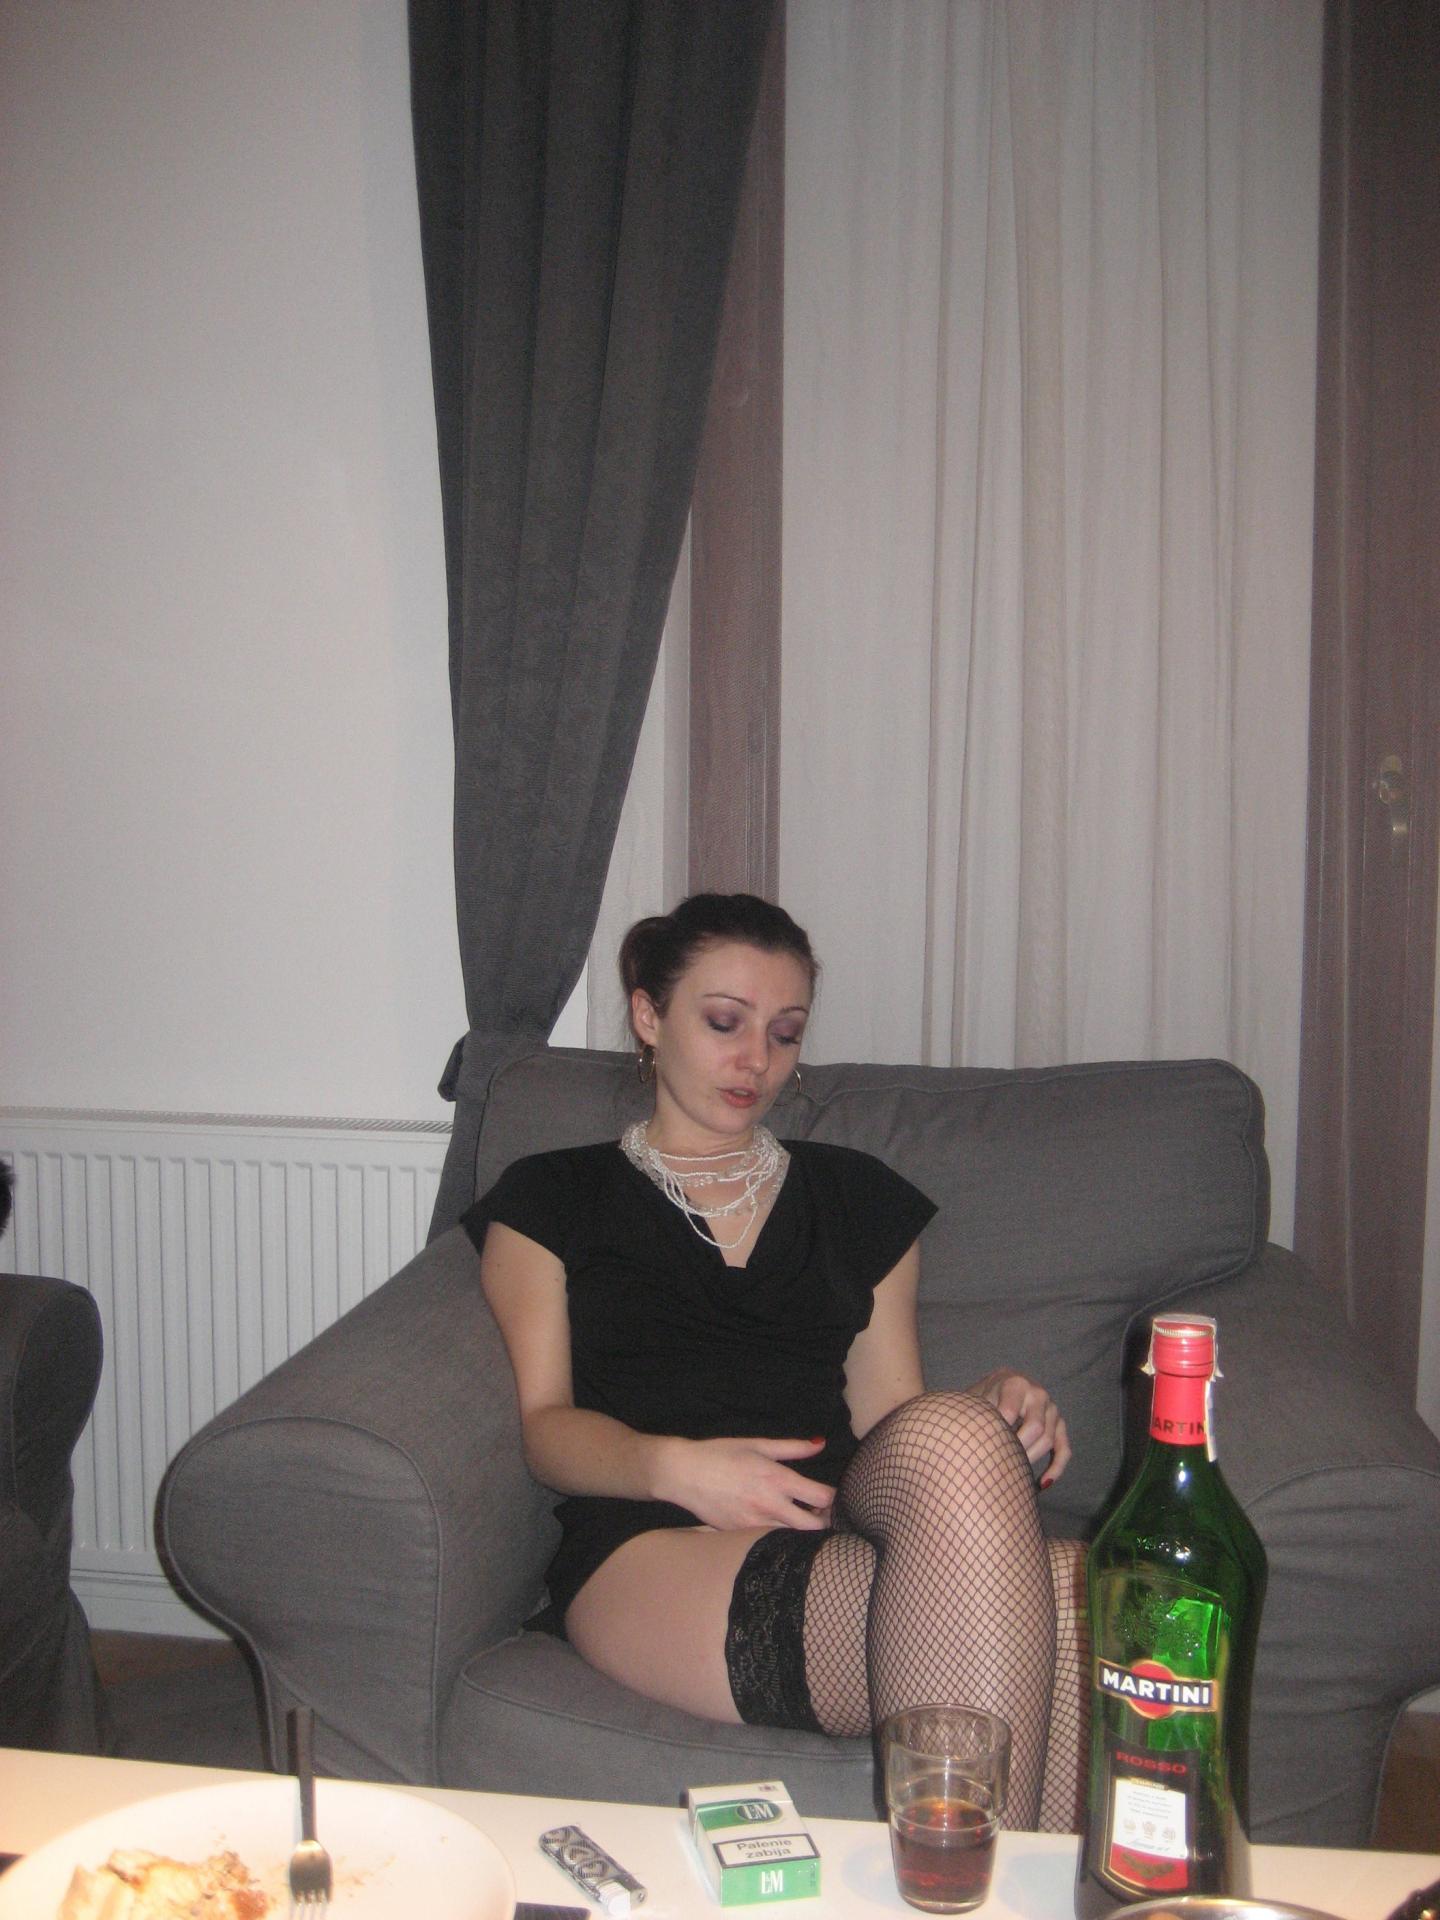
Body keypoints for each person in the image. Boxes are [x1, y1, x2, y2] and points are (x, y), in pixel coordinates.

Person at [463, 893, 1087, 1829]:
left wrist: (992, 1410)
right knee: (1075, 1614)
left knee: (986, 1466)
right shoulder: (554, 1194)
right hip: (653, 1543)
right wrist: (679, 1468)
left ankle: (994, 1882)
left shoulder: (858, 1197)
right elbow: (545, 1427)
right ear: (648, 1016)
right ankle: (991, 1884)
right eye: (725, 1022)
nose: (757, 1060)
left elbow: (891, 1422)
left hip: (834, 1520)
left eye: (785, 1033)